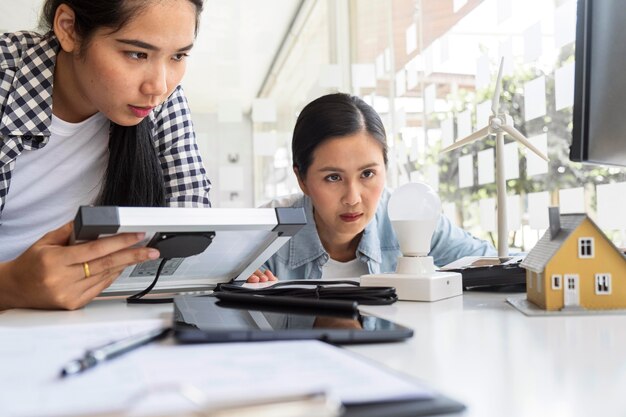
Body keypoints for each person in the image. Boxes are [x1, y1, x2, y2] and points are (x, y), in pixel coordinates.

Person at [0, 0, 210, 310]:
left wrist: (226, 267)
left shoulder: (162, 99)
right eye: (136, 54)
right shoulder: (6, 77)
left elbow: (188, 218)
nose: (159, 86)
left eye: (178, 56)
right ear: (69, 29)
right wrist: (10, 287)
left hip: (92, 313)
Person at [248, 93, 496, 283]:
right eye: (333, 178)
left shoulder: (410, 217)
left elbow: (496, 266)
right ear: (302, 179)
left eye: (367, 174)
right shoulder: (267, 232)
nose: (353, 198)